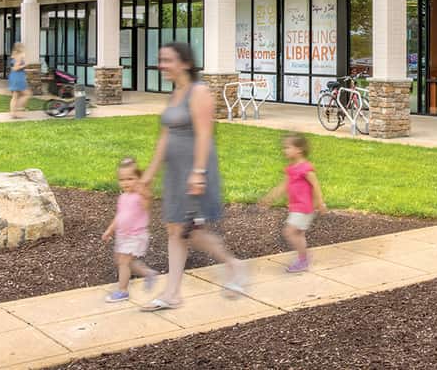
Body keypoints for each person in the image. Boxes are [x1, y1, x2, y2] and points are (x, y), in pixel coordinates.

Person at [137, 42, 246, 311]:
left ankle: (233, 265)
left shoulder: (199, 92)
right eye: (161, 60)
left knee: (188, 231)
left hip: (194, 170)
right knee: (176, 229)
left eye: (168, 60)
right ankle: (172, 294)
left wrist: (198, 173)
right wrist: (149, 175)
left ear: (185, 62)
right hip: (175, 173)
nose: (162, 65)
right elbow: (165, 136)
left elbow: (205, 135)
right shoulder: (175, 93)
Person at [259, 133, 327, 273]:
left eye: (288, 147)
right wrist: (270, 198)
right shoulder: (291, 169)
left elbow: (316, 186)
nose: (285, 151)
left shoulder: (305, 168)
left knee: (289, 232)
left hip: (304, 207)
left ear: (299, 149)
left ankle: (304, 259)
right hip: (297, 207)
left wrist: (320, 203)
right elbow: (284, 186)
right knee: (298, 234)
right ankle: (303, 258)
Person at [101, 157, 158, 302]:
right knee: (123, 261)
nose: (125, 182)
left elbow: (147, 202)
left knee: (124, 262)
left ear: (138, 179)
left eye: (130, 179)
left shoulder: (140, 197)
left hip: (136, 235)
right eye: (122, 179)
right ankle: (147, 273)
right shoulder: (123, 197)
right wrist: (110, 229)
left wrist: (144, 191)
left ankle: (122, 291)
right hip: (123, 235)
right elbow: (119, 216)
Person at [7, 43, 32, 119]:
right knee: (27, 94)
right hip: (18, 77)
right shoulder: (20, 55)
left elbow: (13, 68)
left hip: (13, 76)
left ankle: (13, 113)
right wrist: (25, 65)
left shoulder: (14, 54)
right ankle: (18, 108)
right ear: (20, 48)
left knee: (15, 96)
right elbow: (16, 68)